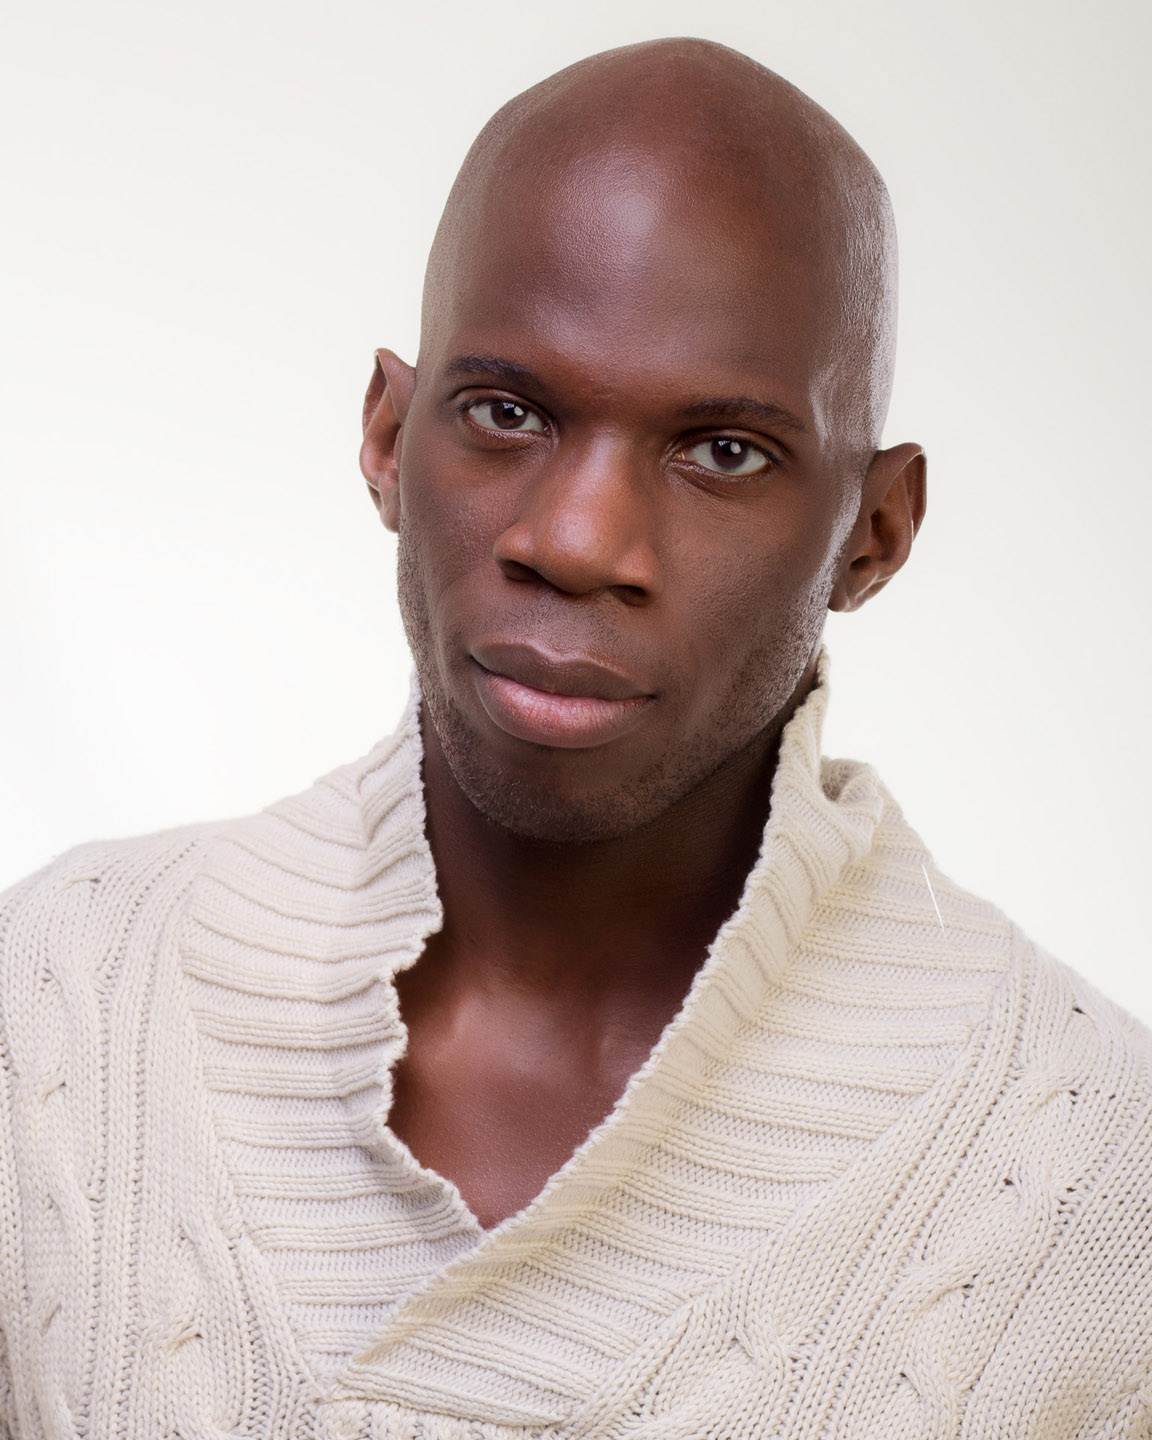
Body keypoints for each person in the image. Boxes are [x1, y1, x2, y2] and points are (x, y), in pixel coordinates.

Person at [1, 35, 1149, 1440]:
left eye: (723, 451)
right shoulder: (58, 1002)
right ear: (387, 437)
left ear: (875, 532)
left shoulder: (1094, 1182)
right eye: (507, 413)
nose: (580, 540)